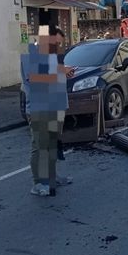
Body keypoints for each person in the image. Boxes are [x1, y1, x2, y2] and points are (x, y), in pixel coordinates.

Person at [21, 25, 74, 196]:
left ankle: (52, 176)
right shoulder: (31, 54)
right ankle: (38, 183)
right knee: (40, 146)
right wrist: (61, 71)